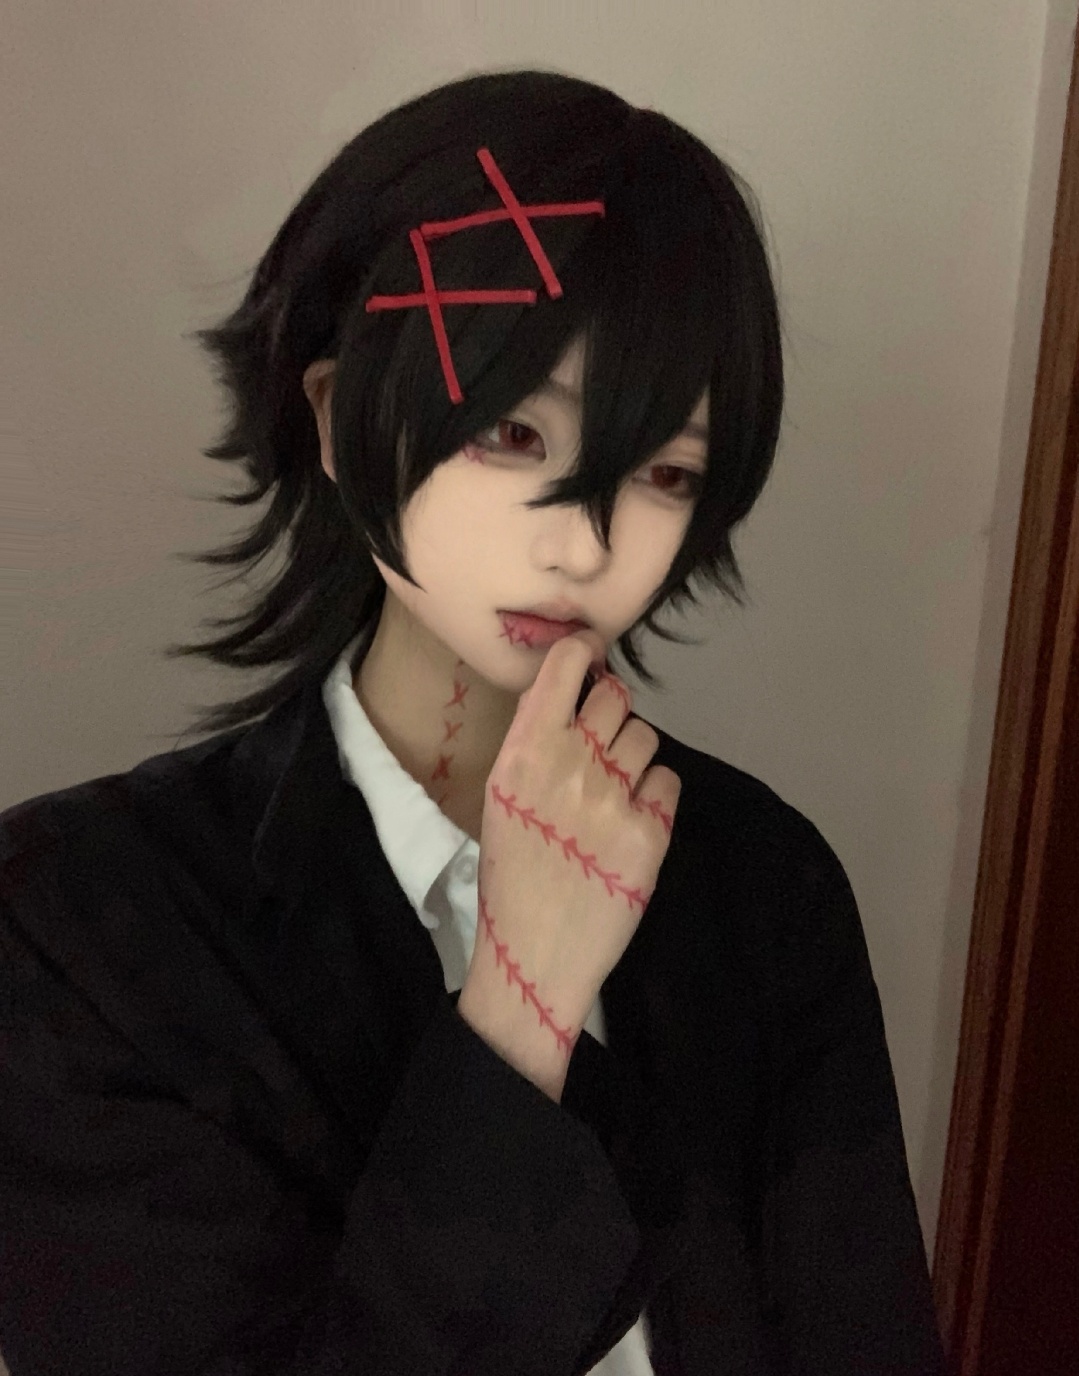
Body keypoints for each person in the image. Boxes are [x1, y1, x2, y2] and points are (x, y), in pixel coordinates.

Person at [0, 69, 945, 1375]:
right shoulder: (77, 925)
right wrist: (522, 1003)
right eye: (512, 431)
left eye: (664, 471)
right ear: (337, 419)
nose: (587, 544)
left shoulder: (766, 884)